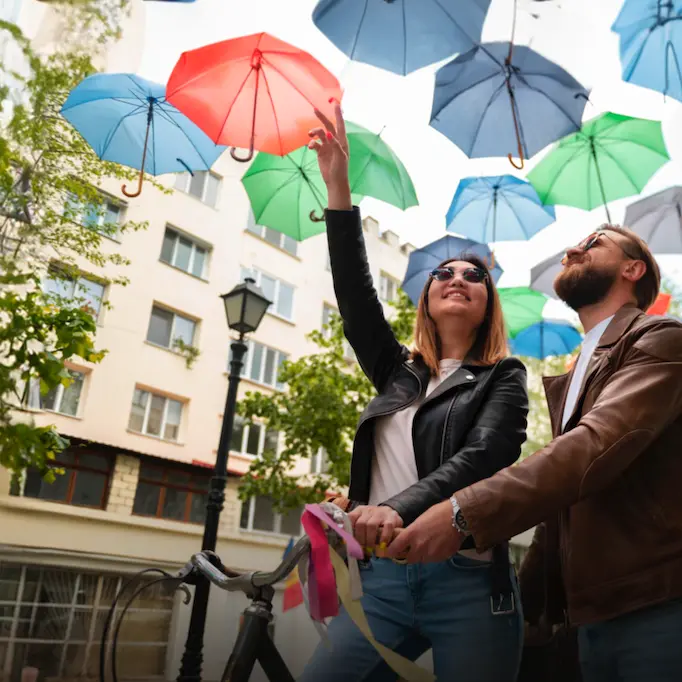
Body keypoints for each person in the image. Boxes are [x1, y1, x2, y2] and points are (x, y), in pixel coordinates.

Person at [388, 225, 682, 681]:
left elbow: (594, 448)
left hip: (659, 603)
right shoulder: (585, 361)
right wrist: (531, 602)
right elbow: (565, 501)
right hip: (595, 612)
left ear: (632, 268)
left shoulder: (660, 338)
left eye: (593, 243)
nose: (572, 250)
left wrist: (461, 512)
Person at [298, 102, 529, 682]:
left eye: (474, 276)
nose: (458, 279)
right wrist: (338, 188)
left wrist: (393, 507)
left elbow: (485, 455)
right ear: (426, 299)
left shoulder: (504, 375)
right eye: (444, 274)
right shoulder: (399, 372)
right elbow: (354, 298)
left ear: (487, 305)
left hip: (470, 582)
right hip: (383, 580)